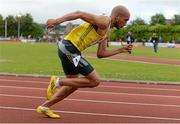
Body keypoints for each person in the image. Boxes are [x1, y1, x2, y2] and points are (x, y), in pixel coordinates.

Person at [36, 5, 132, 118]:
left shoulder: (107, 31)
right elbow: (79, 13)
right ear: (117, 16)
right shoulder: (104, 21)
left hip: (71, 51)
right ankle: (56, 82)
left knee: (73, 84)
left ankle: (45, 107)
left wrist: (121, 50)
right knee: (95, 80)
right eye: (125, 20)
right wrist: (56, 21)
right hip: (69, 47)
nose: (125, 23)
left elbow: (101, 54)